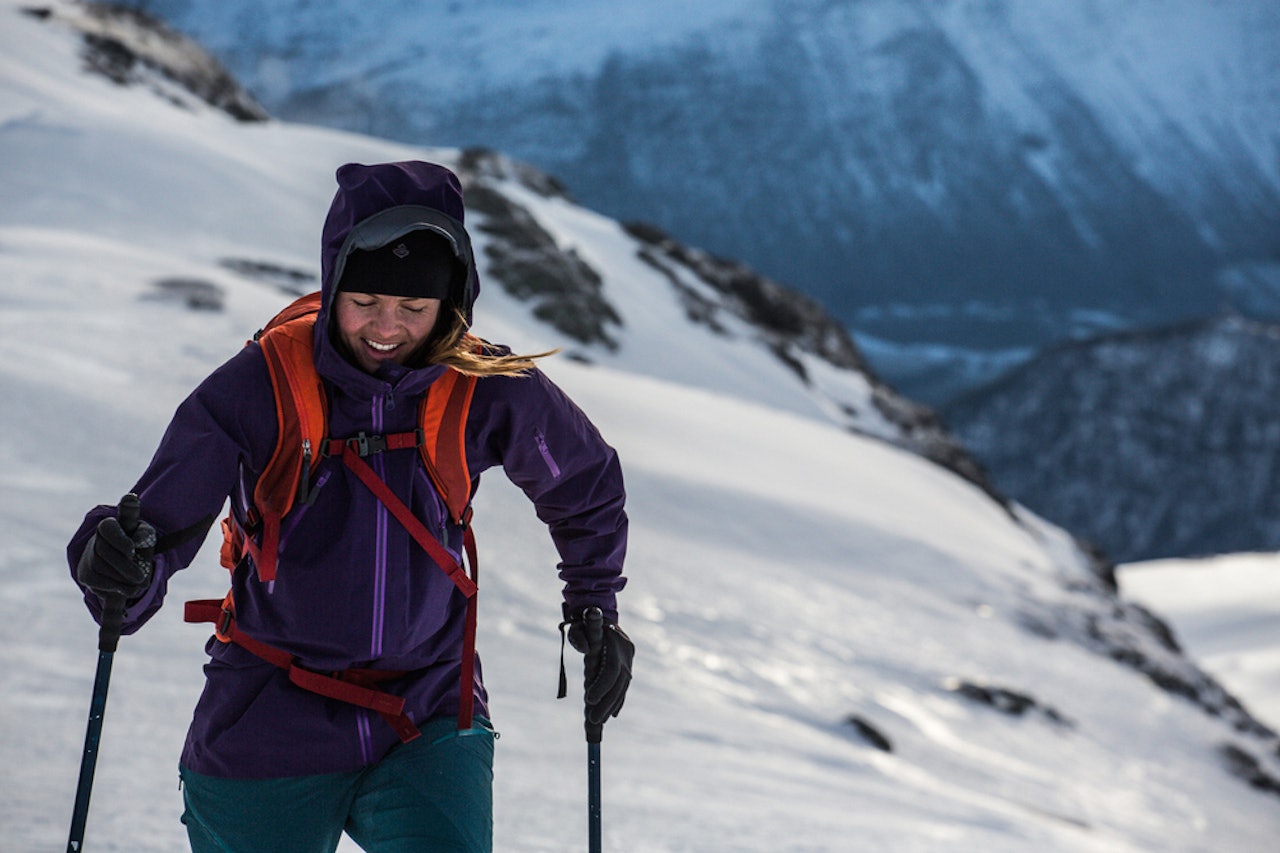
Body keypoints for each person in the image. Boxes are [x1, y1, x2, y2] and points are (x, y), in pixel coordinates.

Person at [68, 160, 633, 853]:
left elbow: (585, 483)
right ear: (333, 282)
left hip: (427, 709)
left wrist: (594, 604)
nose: (386, 327)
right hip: (268, 707)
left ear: (451, 305)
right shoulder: (263, 383)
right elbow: (157, 523)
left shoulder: (483, 385)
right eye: (364, 299)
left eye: (414, 308)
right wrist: (119, 568)